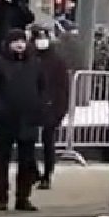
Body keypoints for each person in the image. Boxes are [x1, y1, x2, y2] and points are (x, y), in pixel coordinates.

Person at [0, 29, 43, 211]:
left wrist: (38, 106)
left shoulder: (34, 63)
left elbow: (41, 86)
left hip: (28, 118)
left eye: (22, 41)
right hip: (5, 119)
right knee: (2, 160)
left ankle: (23, 197)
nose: (19, 45)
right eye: (15, 41)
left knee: (26, 160)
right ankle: (2, 197)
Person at [30, 26, 70, 190]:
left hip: (50, 107)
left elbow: (63, 88)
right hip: (32, 105)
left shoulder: (57, 61)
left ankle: (47, 174)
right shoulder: (29, 58)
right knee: (27, 141)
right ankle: (32, 171)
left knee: (48, 141)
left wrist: (59, 110)